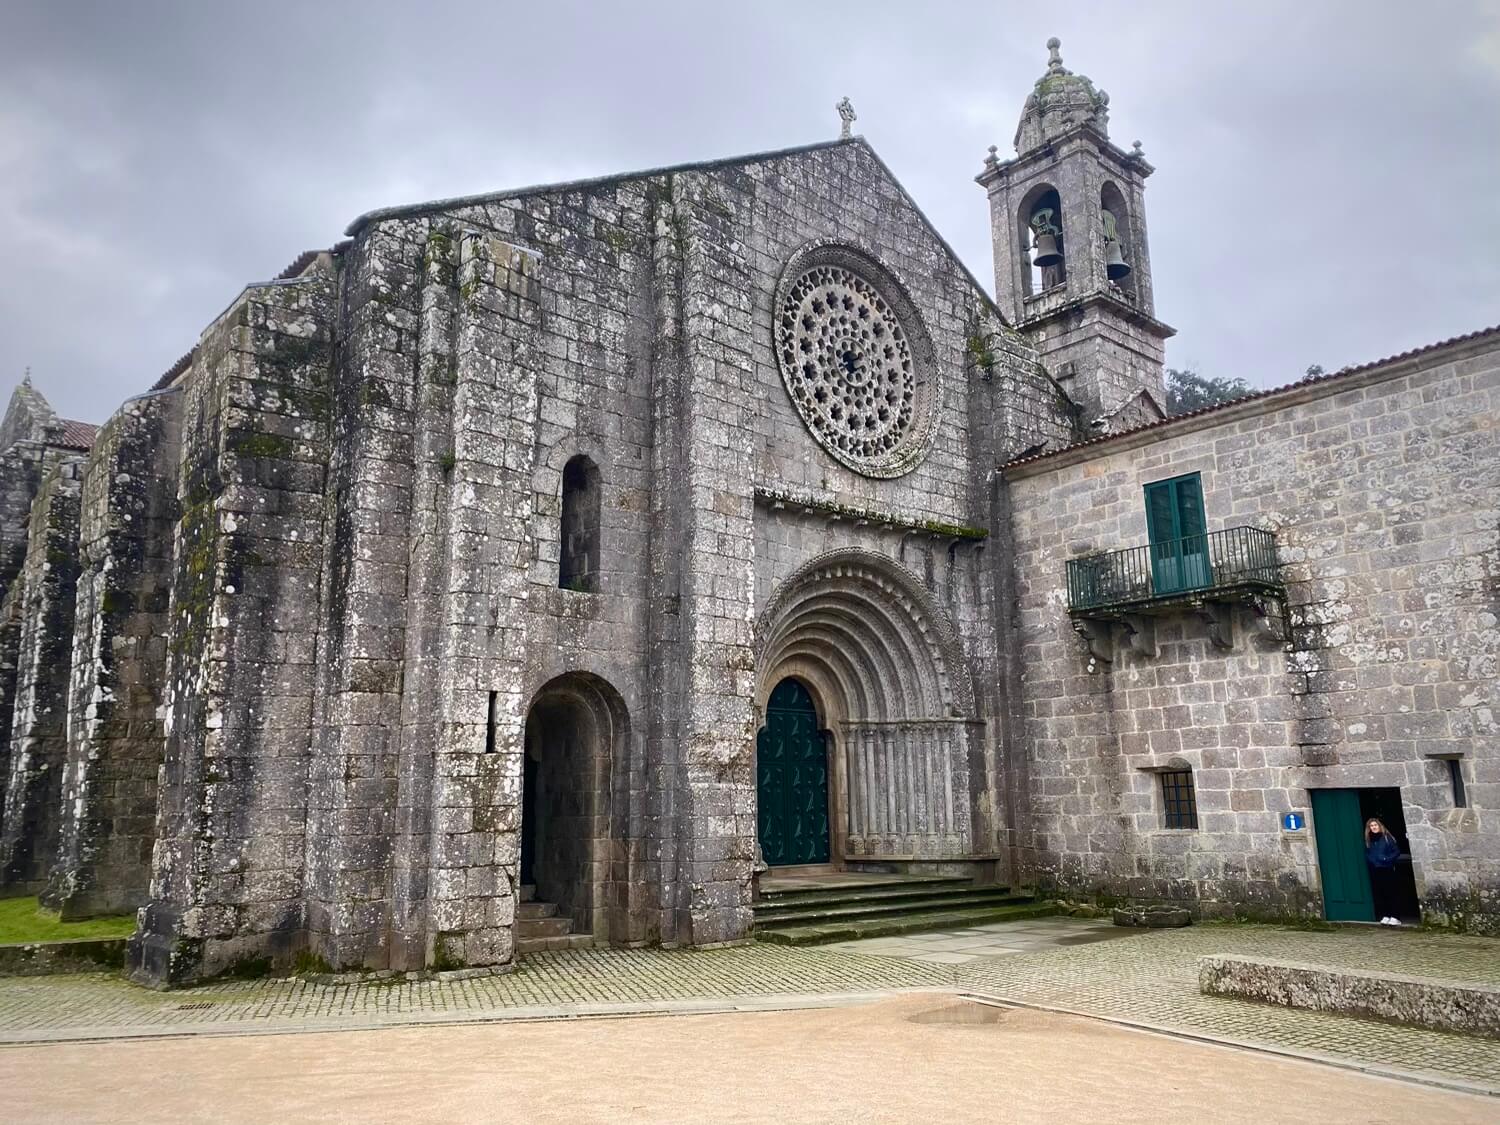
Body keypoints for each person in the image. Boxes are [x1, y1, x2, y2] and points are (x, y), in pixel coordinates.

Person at [1365, 818, 1403, 926]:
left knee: (1392, 892)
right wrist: (1373, 861)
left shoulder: (1387, 838)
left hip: (1388, 868)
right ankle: (1386, 915)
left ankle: (1395, 916)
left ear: (1379, 826)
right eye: (1371, 826)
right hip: (1376, 869)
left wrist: (1386, 859)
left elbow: (1396, 852)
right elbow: (1368, 854)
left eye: (1375, 825)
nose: (1374, 827)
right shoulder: (1369, 841)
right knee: (1381, 893)